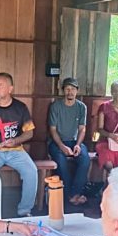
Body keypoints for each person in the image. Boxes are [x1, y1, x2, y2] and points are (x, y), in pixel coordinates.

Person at [0, 72, 38, 217]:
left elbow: (29, 133)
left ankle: (24, 211)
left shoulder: (20, 108)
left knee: (31, 172)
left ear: (10, 89)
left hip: (16, 150)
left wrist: (15, 141)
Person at [47, 77, 91, 206]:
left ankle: (74, 193)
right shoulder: (56, 106)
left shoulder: (81, 107)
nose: (70, 92)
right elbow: (52, 130)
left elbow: (82, 129)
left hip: (75, 141)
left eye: (72, 89)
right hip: (57, 142)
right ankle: (71, 195)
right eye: (67, 89)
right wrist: (62, 146)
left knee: (85, 159)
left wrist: (78, 145)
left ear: (77, 91)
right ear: (63, 91)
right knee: (61, 162)